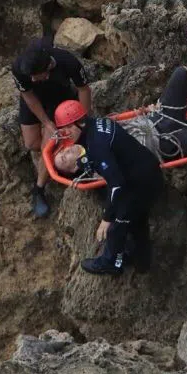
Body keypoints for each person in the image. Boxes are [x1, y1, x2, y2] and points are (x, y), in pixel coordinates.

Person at [52, 100, 164, 275]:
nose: (65, 136)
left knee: (116, 226)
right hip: (147, 172)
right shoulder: (99, 123)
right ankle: (142, 262)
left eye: (67, 130)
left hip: (140, 183)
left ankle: (111, 263)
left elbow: (116, 185)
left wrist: (107, 218)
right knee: (137, 222)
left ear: (78, 123)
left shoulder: (97, 145)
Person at [13, 37, 92, 219]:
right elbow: (28, 96)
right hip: (35, 99)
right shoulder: (19, 67)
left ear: (47, 68)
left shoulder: (67, 61)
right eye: (30, 76)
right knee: (31, 144)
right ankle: (57, 151)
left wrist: (84, 121)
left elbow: (84, 90)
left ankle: (39, 189)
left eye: (35, 75)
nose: (32, 78)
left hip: (61, 98)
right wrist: (46, 122)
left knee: (46, 146)